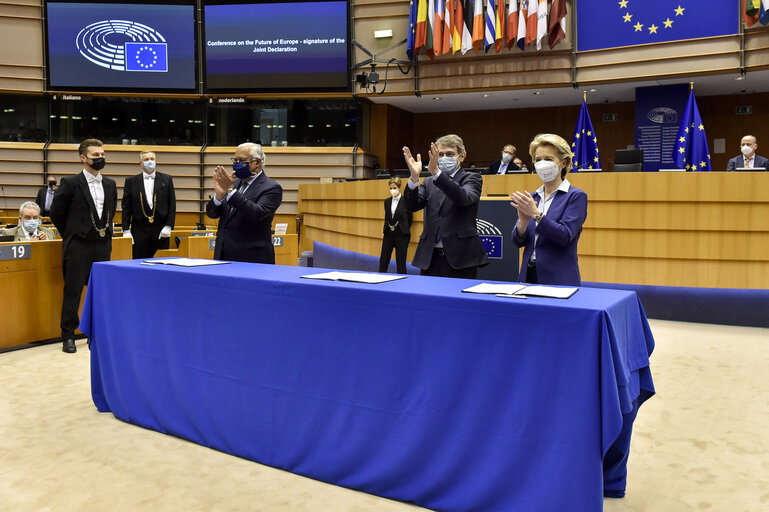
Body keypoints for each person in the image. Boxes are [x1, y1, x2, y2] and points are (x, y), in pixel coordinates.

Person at [50, 139, 117, 354]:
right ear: (83, 158)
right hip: (78, 245)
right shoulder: (70, 183)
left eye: (102, 154)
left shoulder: (110, 184)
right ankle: (68, 334)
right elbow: (56, 213)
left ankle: (96, 331)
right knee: (73, 290)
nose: (100, 158)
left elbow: (111, 210)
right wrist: (71, 233)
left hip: (102, 243)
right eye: (95, 155)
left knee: (100, 290)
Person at [402, 134, 489, 279]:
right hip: (430, 258)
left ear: (461, 156)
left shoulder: (472, 178)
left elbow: (464, 198)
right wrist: (414, 178)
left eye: (449, 154)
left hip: (460, 258)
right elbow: (411, 206)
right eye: (440, 154)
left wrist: (437, 173)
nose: (443, 158)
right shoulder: (429, 182)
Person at [510, 134, 587, 287]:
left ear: (563, 163)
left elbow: (565, 236)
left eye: (549, 159)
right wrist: (523, 223)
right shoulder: (532, 197)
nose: (542, 164)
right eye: (538, 160)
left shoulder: (575, 196)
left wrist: (537, 215)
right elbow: (517, 242)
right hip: (528, 276)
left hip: (558, 279)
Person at [206, 142, 282, 263]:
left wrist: (231, 192)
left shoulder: (271, 188)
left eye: (242, 160)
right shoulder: (234, 183)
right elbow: (212, 214)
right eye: (235, 160)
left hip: (252, 258)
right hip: (223, 255)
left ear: (257, 162)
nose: (237, 164)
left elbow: (257, 214)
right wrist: (219, 197)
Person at [122, 151, 176, 259]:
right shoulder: (131, 181)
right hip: (139, 229)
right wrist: (126, 230)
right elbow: (126, 207)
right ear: (141, 163)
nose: (150, 161)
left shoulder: (167, 179)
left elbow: (172, 204)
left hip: (161, 229)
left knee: (160, 262)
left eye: (152, 159)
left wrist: (168, 226)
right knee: (138, 262)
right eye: (146, 159)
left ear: (156, 161)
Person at [378, 177, 412, 274]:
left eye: (394, 188)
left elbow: (410, 219)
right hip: (388, 233)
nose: (392, 190)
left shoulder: (406, 201)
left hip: (401, 235)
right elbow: (388, 216)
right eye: (391, 188)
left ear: (400, 188)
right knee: (383, 260)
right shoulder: (387, 201)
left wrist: (404, 229)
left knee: (401, 263)